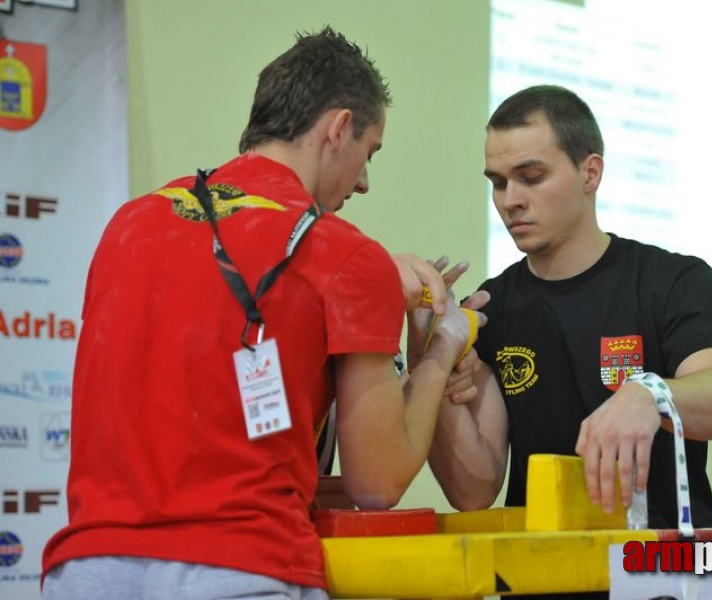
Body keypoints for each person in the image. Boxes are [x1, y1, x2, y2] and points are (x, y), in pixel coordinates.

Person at [41, 26, 484, 600]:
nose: (366, 182)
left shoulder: (130, 224)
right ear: (339, 128)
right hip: (242, 570)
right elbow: (377, 484)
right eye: (368, 153)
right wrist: (439, 352)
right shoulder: (347, 254)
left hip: (87, 571)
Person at [429, 85, 712, 599]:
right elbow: (474, 488)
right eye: (498, 182)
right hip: (544, 583)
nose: (510, 199)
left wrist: (649, 394)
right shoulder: (493, 307)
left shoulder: (670, 281)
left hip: (667, 581)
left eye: (531, 177)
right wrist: (434, 365)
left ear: (590, 172)